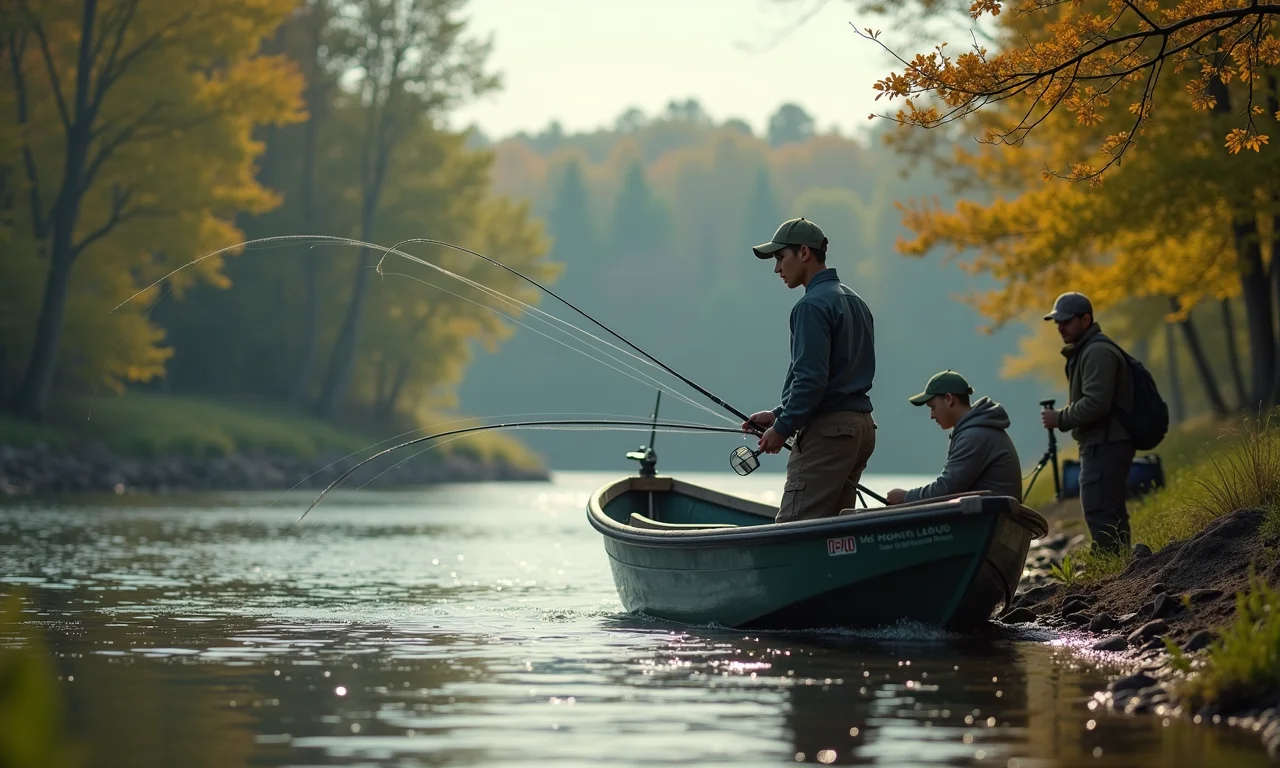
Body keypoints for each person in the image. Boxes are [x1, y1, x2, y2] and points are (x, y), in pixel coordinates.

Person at [740, 216, 877, 523]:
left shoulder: (811, 306)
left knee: (794, 528)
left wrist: (784, 427)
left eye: (780, 257)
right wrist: (778, 414)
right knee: (835, 531)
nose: (777, 268)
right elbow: (836, 376)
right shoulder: (856, 301)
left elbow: (812, 380)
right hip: (861, 429)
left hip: (829, 433)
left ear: (804, 253)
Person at [1040, 291, 1135, 553]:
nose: (1060, 327)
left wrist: (1059, 418)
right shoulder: (1088, 350)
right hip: (1102, 442)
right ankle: (1118, 563)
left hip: (1107, 443)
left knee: (1099, 508)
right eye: (1057, 322)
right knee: (1108, 508)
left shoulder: (1097, 352)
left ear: (1085, 319)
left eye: (1067, 321)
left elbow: (1096, 403)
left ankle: (1110, 563)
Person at [885, 370, 1023, 505]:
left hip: (991, 516)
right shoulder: (977, 431)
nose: (932, 415)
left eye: (932, 407)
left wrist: (906, 497)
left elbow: (945, 489)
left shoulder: (973, 437)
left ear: (949, 399)